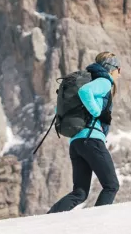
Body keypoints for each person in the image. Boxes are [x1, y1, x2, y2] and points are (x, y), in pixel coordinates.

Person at [48, 52, 121, 213]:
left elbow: (58, 109)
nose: (119, 73)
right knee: (111, 185)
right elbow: (85, 92)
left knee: (79, 193)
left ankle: (48, 218)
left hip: (76, 143)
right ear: (111, 68)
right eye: (118, 68)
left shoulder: (87, 80)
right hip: (91, 140)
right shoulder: (103, 81)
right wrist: (98, 113)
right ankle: (97, 223)